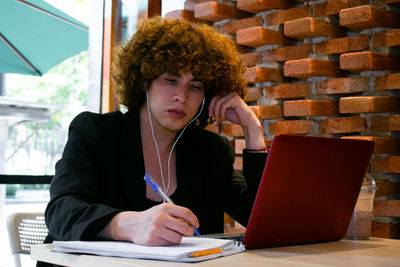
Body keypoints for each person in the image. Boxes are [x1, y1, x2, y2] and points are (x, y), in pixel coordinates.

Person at [39, 15, 267, 266]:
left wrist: (253, 131)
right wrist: (124, 224)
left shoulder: (210, 151)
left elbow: (261, 220)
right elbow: (61, 212)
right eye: (171, 80)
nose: (181, 96)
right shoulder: (96, 132)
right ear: (144, 80)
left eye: (196, 86)